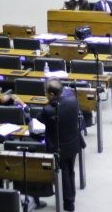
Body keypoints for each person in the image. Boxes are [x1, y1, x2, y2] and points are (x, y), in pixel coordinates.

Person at [36, 79, 85, 212]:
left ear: (51, 95)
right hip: (73, 143)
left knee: (64, 174)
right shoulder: (73, 100)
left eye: (46, 92)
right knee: (70, 170)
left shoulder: (48, 110)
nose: (45, 94)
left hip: (59, 147)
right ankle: (71, 198)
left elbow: (38, 117)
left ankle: (69, 203)